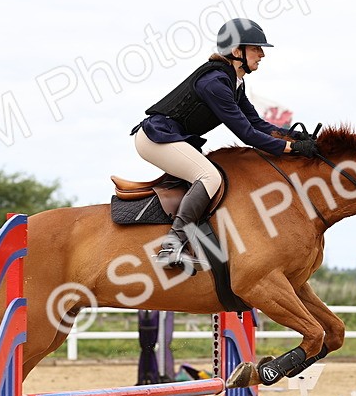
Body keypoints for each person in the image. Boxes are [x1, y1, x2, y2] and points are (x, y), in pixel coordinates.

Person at [131, 18, 318, 267]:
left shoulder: (234, 82)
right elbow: (247, 135)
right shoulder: (215, 83)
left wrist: (292, 136)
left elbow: (257, 124)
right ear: (236, 51)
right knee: (210, 177)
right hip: (156, 138)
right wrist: (291, 149)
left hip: (171, 137)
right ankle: (170, 247)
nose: (262, 54)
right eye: (256, 48)